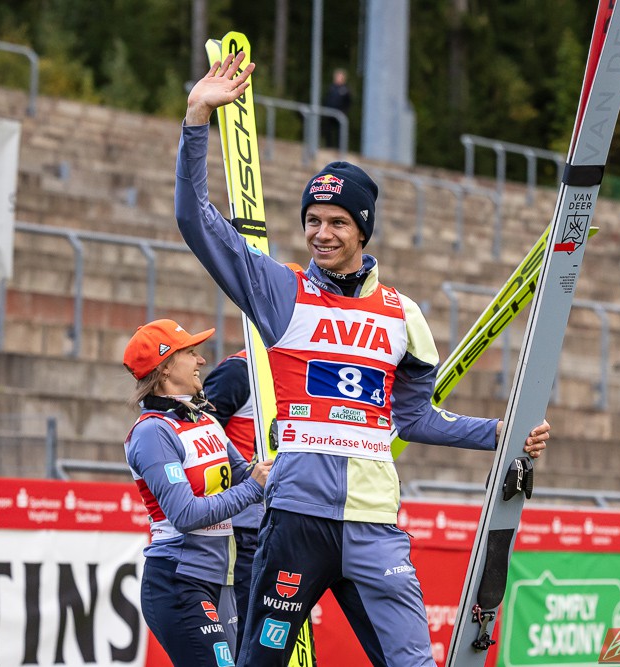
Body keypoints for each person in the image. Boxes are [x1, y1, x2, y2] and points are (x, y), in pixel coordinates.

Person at [176, 52, 551, 667]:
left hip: (375, 528)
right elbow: (195, 219)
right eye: (313, 220)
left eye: (337, 222)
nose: (321, 233)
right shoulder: (280, 291)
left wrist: (499, 434)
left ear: (363, 229)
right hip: (295, 524)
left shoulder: (404, 315)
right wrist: (197, 119)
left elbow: (416, 418)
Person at [122, 318, 273, 666]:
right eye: (190, 353)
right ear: (164, 369)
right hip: (179, 580)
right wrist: (254, 487)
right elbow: (186, 514)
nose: (201, 360)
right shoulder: (152, 432)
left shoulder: (204, 419)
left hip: (221, 578)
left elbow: (244, 473)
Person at [201, 349, 263, 657]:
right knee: (242, 636)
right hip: (240, 528)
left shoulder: (297, 366)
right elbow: (200, 438)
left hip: (279, 521)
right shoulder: (239, 371)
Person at [321, 67, 352, 149]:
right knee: (328, 131)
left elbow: (348, 103)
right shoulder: (331, 87)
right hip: (329, 113)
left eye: (339, 77)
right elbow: (326, 99)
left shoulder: (346, 90)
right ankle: (329, 147)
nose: (337, 78)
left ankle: (340, 149)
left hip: (339, 114)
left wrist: (344, 112)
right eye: (336, 76)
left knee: (340, 133)